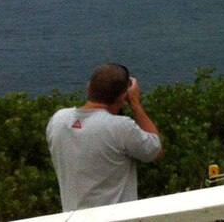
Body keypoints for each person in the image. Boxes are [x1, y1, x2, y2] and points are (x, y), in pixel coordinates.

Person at [46, 64, 163, 211]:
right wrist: (135, 104)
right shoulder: (120, 127)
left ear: (88, 87)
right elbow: (155, 151)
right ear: (123, 96)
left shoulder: (58, 120)